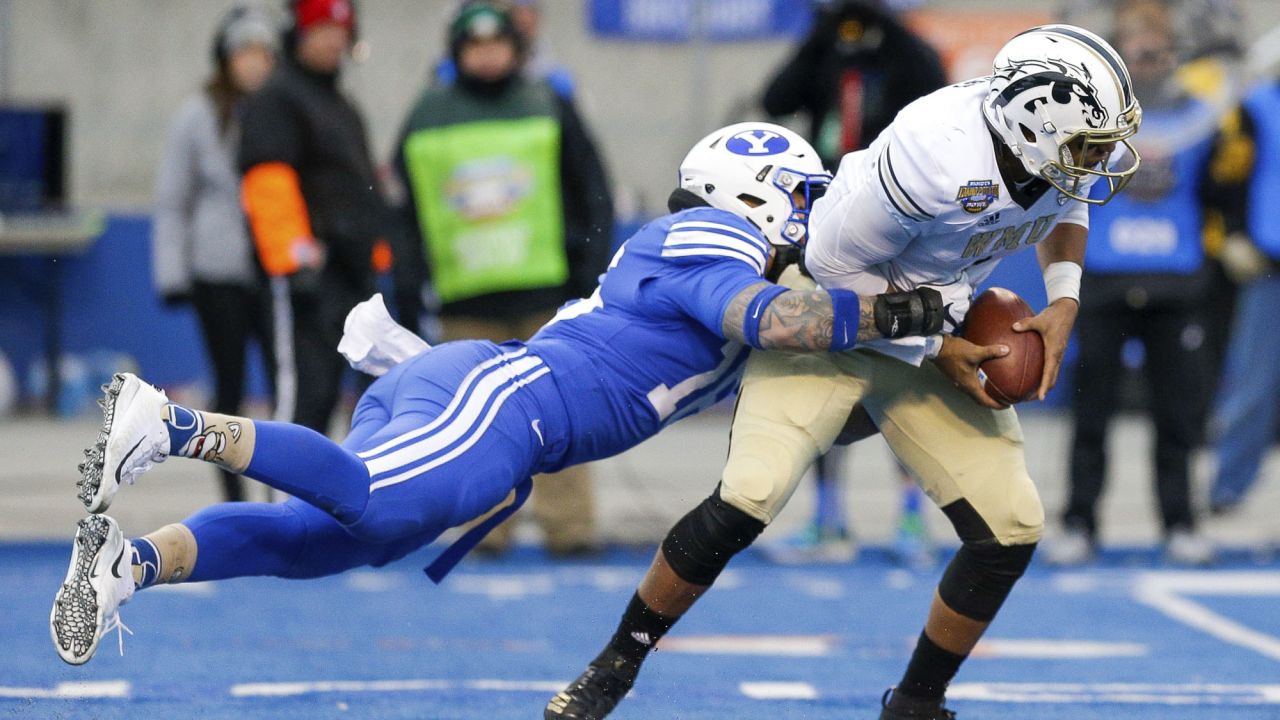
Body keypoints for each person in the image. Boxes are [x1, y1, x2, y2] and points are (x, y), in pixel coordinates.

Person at [52, 121, 946, 666]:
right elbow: (766, 318)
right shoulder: (706, 236)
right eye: (800, 194)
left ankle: (126, 566)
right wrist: (909, 308)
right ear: (752, 191)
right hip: (500, 403)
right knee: (367, 500)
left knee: (329, 544)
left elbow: (806, 418)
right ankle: (167, 422)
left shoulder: (718, 261)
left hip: (488, 405)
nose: (810, 213)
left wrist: (924, 379)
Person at [546, 24, 1141, 720]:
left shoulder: (1040, 151)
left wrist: (1064, 297)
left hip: (934, 316)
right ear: (1034, 125)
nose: (1100, 161)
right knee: (749, 495)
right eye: (1088, 145)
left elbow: (1064, 194)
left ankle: (916, 703)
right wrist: (936, 346)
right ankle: (614, 664)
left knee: (1011, 525)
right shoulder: (936, 155)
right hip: (837, 312)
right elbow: (831, 270)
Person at [393, 1, 614, 556]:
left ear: (517, 49)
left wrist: (588, 274)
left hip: (548, 296)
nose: (487, 55)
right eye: (475, 45)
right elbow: (403, 212)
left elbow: (592, 191)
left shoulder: (550, 103)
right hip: (465, 301)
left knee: (562, 417)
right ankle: (482, 529)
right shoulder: (426, 113)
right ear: (457, 51)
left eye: (498, 44)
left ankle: (571, 529)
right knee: (474, 425)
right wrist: (408, 280)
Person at [760, 0, 947, 562]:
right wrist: (822, 37)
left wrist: (885, 27)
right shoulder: (824, 46)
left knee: (898, 369)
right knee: (824, 370)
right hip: (826, 219)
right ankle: (827, 516)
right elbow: (777, 99)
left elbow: (933, 89)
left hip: (894, 225)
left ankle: (912, 514)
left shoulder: (903, 53)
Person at [1045, 2, 1218, 566]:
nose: (1147, 58)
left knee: (1177, 415)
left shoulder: (1201, 115)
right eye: (1134, 48)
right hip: (1106, 281)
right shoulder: (1090, 120)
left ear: (1172, 53)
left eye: (1156, 47)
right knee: (1090, 412)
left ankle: (1181, 523)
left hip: (1175, 284)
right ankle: (1079, 521)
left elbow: (1227, 176)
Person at [238, 0, 388, 434]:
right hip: (307, 279)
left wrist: (374, 254)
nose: (332, 40)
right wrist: (293, 261)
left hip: (351, 276)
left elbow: (359, 192)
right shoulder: (277, 97)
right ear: (299, 33)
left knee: (365, 403)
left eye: (339, 31)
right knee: (303, 404)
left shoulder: (341, 104)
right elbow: (269, 184)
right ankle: (286, 504)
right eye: (320, 29)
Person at [151, 5, 279, 503]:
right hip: (217, 272)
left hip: (275, 270)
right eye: (244, 53)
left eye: (263, 53)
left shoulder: (284, 111)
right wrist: (172, 273)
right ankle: (234, 498)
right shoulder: (197, 116)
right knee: (229, 389)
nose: (254, 64)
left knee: (284, 387)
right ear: (225, 59)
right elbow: (173, 198)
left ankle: (282, 494)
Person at [1203, 71, 1280, 514]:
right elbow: (1228, 173)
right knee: (1254, 384)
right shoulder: (1257, 104)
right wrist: (1233, 231)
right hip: (1270, 264)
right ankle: (1227, 488)